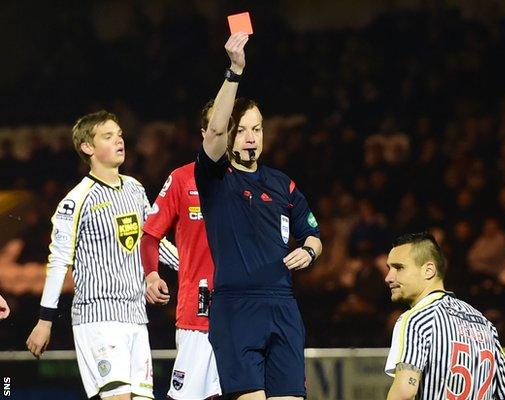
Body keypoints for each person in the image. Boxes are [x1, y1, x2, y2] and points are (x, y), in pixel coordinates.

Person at [194, 32, 322, 400]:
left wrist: (310, 250)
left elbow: (313, 235)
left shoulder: (282, 184)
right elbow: (215, 127)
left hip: (283, 306)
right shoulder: (216, 178)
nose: (250, 137)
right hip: (236, 307)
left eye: (257, 128)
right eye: (242, 130)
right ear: (229, 136)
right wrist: (234, 71)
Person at [26, 110, 178, 400]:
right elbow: (59, 261)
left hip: (136, 316)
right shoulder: (75, 200)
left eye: (119, 134)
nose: (119, 140)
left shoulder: (134, 188)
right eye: (108, 137)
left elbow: (152, 241)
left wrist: (195, 267)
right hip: (98, 317)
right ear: (88, 147)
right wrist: (45, 320)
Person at [140, 100, 221, 400]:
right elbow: (150, 235)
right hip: (198, 314)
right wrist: (151, 276)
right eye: (216, 126)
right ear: (204, 133)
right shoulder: (182, 178)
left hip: (243, 311)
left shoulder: (249, 181)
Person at [385, 232, 505, 400]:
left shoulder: (416, 319)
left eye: (399, 267)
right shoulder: (485, 324)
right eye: (389, 268)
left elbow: (404, 392)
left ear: (429, 270)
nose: (388, 277)